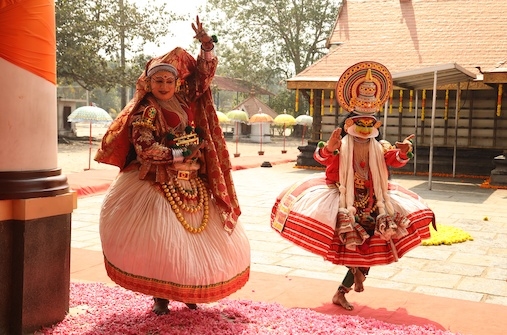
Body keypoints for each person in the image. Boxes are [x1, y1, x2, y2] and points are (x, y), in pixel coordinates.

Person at [94, 16, 250, 315]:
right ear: (148, 83)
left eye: (169, 80)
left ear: (177, 83)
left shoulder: (182, 97)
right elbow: (145, 149)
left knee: (194, 237)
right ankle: (160, 297)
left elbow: (203, 78)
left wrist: (206, 45)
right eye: (158, 81)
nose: (164, 85)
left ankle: (189, 290)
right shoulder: (147, 111)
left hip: (190, 180)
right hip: (154, 182)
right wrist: (181, 153)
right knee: (161, 242)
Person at [271, 61, 435, 311]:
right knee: (354, 249)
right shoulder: (341, 144)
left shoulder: (380, 147)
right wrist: (329, 147)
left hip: (374, 203)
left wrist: (404, 151)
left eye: (371, 123)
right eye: (361, 122)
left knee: (370, 250)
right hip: (344, 203)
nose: (365, 127)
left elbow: (396, 160)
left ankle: (343, 290)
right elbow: (322, 158)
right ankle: (350, 280)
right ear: (349, 123)